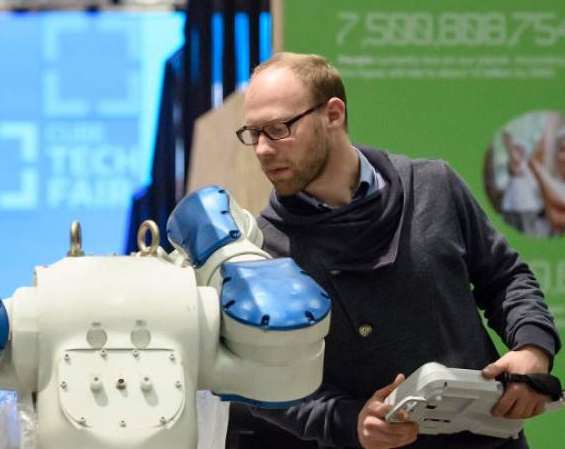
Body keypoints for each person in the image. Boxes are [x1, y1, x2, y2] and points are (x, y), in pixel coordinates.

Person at [234, 52, 561, 449]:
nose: (263, 150)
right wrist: (349, 421)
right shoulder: (264, 250)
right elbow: (265, 383)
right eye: (254, 133)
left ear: (333, 114)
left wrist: (533, 348)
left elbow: (506, 279)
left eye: (278, 129)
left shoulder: (433, 186)